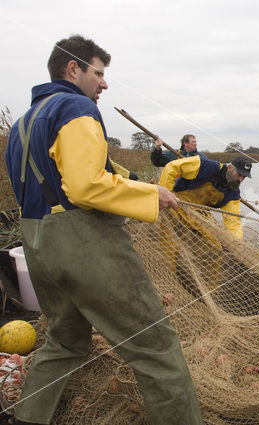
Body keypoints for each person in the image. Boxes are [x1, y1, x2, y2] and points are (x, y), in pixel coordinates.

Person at [4, 35, 203, 425]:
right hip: (83, 243)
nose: (105, 83)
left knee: (63, 342)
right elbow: (85, 185)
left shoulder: (24, 123)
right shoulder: (75, 106)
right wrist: (152, 196)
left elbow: (80, 174)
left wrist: (139, 183)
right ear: (73, 69)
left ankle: (27, 418)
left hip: (37, 246)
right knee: (156, 349)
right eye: (99, 73)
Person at [158, 156, 251, 239]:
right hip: (175, 204)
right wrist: (165, 195)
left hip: (198, 215)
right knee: (170, 239)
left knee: (214, 244)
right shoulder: (207, 166)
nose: (241, 179)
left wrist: (236, 245)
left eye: (244, 177)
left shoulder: (233, 193)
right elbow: (172, 167)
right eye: (239, 174)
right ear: (230, 168)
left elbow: (233, 223)